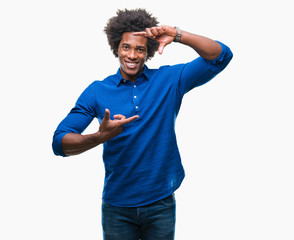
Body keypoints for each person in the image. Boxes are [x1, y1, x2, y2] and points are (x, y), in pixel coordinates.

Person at [52, 8, 233, 240]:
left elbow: (221, 56)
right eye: (126, 47)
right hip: (117, 207)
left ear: (148, 52)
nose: (132, 55)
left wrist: (177, 34)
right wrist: (99, 136)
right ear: (116, 47)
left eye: (140, 49)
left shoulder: (169, 80)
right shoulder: (97, 90)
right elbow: (59, 142)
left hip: (160, 201)